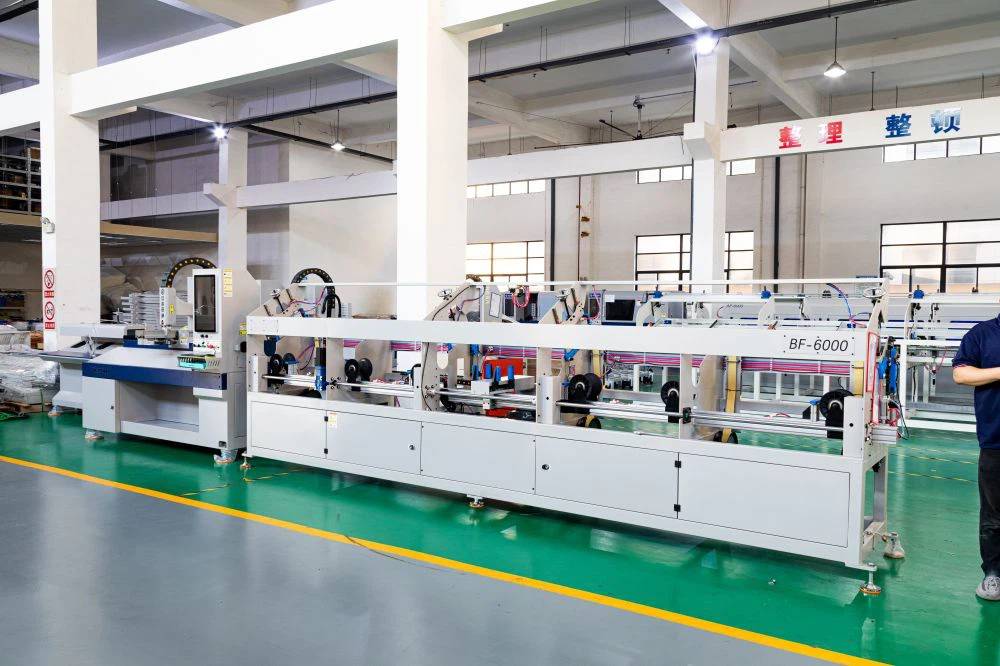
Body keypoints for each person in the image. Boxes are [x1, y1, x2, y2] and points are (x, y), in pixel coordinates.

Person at [953, 315, 1000, 601]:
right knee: (994, 514)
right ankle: (993, 573)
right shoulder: (982, 334)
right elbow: (961, 374)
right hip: (996, 439)